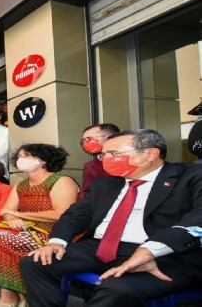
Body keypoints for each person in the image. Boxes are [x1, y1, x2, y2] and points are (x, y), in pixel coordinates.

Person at [21, 129, 202, 307]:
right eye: (103, 155)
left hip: (163, 253)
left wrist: (150, 249)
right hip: (99, 247)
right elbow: (75, 215)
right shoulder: (104, 183)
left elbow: (198, 218)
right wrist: (56, 242)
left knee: (118, 288)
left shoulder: (191, 176)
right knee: (35, 262)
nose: (105, 160)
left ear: (150, 154)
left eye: (113, 153)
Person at [0, 144, 78, 307]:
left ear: (42, 160)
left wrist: (20, 215)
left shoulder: (61, 181)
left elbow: (61, 214)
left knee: (3, 242)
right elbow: (6, 211)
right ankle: (17, 293)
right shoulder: (22, 185)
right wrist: (11, 218)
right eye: (19, 156)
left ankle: (11, 297)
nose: (20, 160)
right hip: (25, 230)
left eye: (26, 156)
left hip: (55, 234)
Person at [79, 123, 120, 196]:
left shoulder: (130, 159)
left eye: (89, 139)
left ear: (109, 137)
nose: (86, 143)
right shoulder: (91, 166)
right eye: (84, 140)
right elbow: (87, 194)